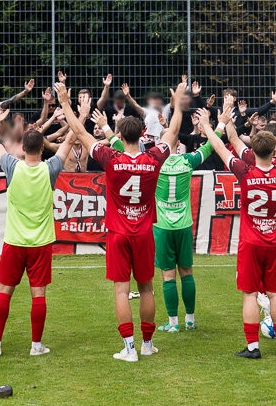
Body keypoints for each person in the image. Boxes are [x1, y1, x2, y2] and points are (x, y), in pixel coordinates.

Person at [55, 77, 185, 362]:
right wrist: (177, 103)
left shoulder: (111, 158)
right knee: (147, 288)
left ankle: (129, 348)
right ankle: (147, 344)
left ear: (121, 136)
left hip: (118, 232)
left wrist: (65, 102)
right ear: (142, 135)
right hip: (144, 232)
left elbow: (80, 131)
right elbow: (173, 131)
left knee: (121, 291)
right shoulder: (153, 159)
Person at [99, 97, 226, 335]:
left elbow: (119, 145)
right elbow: (210, 147)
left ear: (163, 143)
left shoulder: (153, 162)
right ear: (178, 143)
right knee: (187, 272)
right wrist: (220, 125)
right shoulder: (187, 161)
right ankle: (190, 319)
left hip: (162, 226)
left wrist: (105, 126)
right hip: (184, 224)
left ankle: (173, 322)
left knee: (167, 275)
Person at [200, 103, 276, 358]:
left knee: (249, 294)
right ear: (275, 150)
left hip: (251, 242)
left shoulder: (246, 172)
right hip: (275, 242)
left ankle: (253, 347)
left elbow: (221, 148)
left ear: (252, 151)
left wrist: (210, 127)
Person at [0, 123, 72, 357]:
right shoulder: (50, 168)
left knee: (5, 292)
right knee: (38, 294)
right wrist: (81, 115)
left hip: (14, 241)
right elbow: (70, 140)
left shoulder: (12, 166)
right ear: (43, 148)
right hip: (40, 244)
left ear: (22, 148)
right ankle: (36, 346)